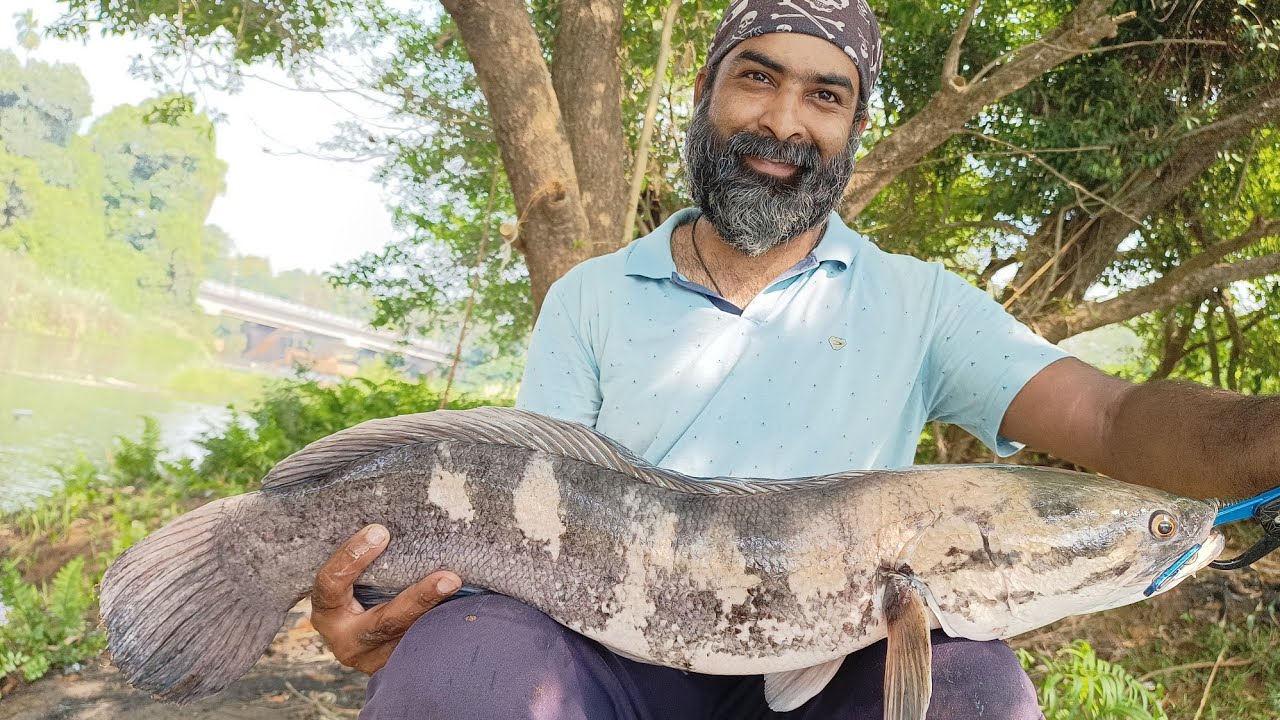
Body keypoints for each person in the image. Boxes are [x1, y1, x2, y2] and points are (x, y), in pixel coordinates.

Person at [309, 2, 1278, 717]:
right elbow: (527, 512)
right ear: (704, 92)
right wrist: (395, 610)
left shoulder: (920, 301)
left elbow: (1108, 420)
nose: (783, 121)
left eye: (824, 95)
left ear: (853, 129)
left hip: (842, 661)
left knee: (977, 688)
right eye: (756, 77)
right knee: (458, 667)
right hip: (604, 651)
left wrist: (1260, 438)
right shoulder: (592, 296)